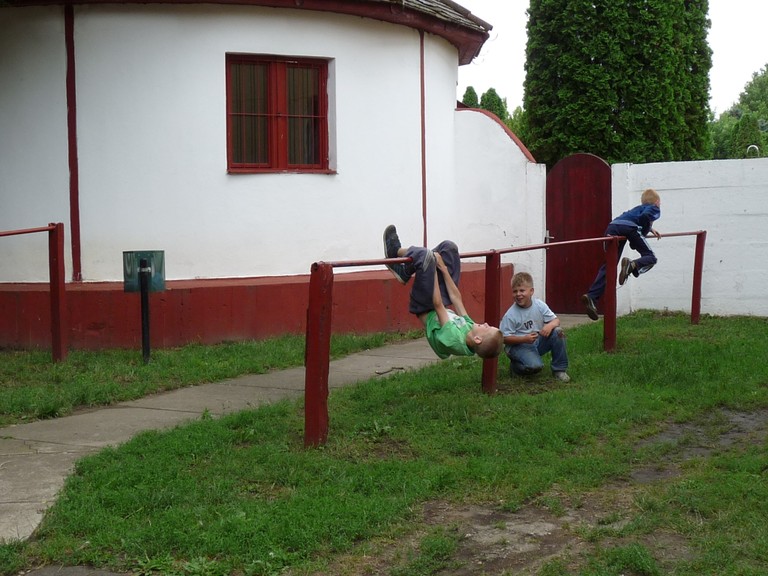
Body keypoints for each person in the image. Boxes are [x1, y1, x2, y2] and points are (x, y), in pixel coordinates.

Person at [382, 225, 503, 360]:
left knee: (427, 256)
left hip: (425, 306)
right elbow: (456, 299)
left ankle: (395, 252)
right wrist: (443, 268)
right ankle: (405, 271)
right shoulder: (471, 329)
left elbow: (438, 304)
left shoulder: (453, 338)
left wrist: (434, 267)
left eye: (487, 328)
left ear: (478, 339)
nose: (486, 324)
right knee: (449, 248)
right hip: (437, 302)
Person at [581, 188, 662, 321]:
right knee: (650, 257)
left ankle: (591, 297)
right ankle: (632, 265)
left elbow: (633, 218)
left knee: (609, 266)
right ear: (657, 202)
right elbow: (645, 217)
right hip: (629, 228)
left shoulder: (636, 209)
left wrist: (649, 229)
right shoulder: (654, 208)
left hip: (613, 227)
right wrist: (645, 230)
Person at [500, 272, 571, 382]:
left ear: (531, 291)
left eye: (522, 290)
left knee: (558, 332)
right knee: (535, 367)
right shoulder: (510, 315)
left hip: (536, 341)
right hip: (518, 346)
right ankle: (516, 368)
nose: (518, 294)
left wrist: (549, 326)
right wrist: (524, 339)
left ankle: (559, 370)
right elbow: (504, 338)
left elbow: (556, 320)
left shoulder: (539, 305)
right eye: (515, 291)